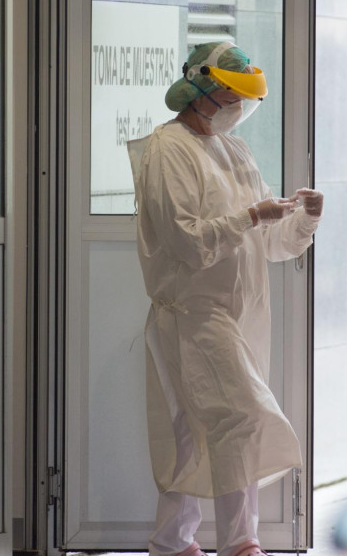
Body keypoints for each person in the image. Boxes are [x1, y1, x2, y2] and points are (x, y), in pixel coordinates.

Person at [128, 42, 325, 556]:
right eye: (229, 96)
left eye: (244, 99)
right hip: (194, 312)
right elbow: (185, 242)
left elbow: (272, 245)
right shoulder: (167, 149)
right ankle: (241, 543)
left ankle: (171, 543)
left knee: (194, 432)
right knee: (239, 417)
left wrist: (303, 219)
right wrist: (251, 216)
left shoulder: (233, 150)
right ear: (200, 91)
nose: (237, 109)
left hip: (241, 314)